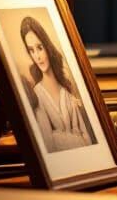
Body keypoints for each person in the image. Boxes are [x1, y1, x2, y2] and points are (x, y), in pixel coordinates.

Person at [20, 15, 96, 152]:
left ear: (47, 46)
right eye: (31, 50)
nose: (37, 56)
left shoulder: (66, 91)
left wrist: (59, 136)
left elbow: (88, 140)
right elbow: (49, 144)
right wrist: (75, 138)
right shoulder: (37, 95)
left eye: (40, 47)